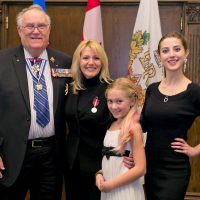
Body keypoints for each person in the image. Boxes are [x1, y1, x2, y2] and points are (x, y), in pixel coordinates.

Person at [0, 5, 71, 200]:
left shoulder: (65, 62)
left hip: (51, 155)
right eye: (30, 26)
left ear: (49, 30)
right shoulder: (2, 62)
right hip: (11, 155)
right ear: (19, 30)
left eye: (41, 26)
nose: (36, 31)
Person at [64, 40, 134, 200]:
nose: (90, 62)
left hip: (102, 166)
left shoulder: (111, 89)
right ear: (78, 61)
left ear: (103, 62)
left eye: (96, 58)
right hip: (72, 165)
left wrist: (130, 153)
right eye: (85, 58)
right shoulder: (70, 88)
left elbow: (129, 122)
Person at [141, 31, 200, 200]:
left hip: (175, 168)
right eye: (165, 51)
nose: (171, 55)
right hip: (150, 165)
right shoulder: (152, 89)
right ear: (159, 56)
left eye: (177, 49)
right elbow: (143, 124)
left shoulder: (194, 92)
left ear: (186, 53)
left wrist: (195, 150)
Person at [95, 77, 146, 200]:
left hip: (125, 190)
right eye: (110, 101)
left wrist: (111, 185)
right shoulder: (112, 124)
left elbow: (140, 168)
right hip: (108, 189)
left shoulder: (133, 128)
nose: (113, 106)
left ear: (132, 101)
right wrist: (100, 174)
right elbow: (111, 159)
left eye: (119, 101)